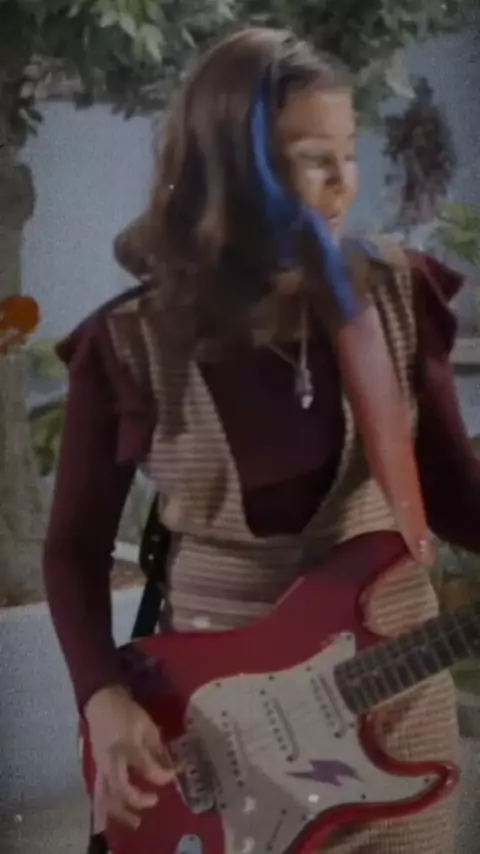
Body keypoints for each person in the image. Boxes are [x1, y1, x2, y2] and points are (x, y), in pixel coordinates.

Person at [43, 27, 480, 854]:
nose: (345, 184)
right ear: (231, 170)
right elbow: (72, 550)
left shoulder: (396, 298)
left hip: (395, 708)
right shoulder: (127, 345)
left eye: (350, 153)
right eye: (316, 159)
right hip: (217, 734)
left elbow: (455, 496)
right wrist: (102, 698)